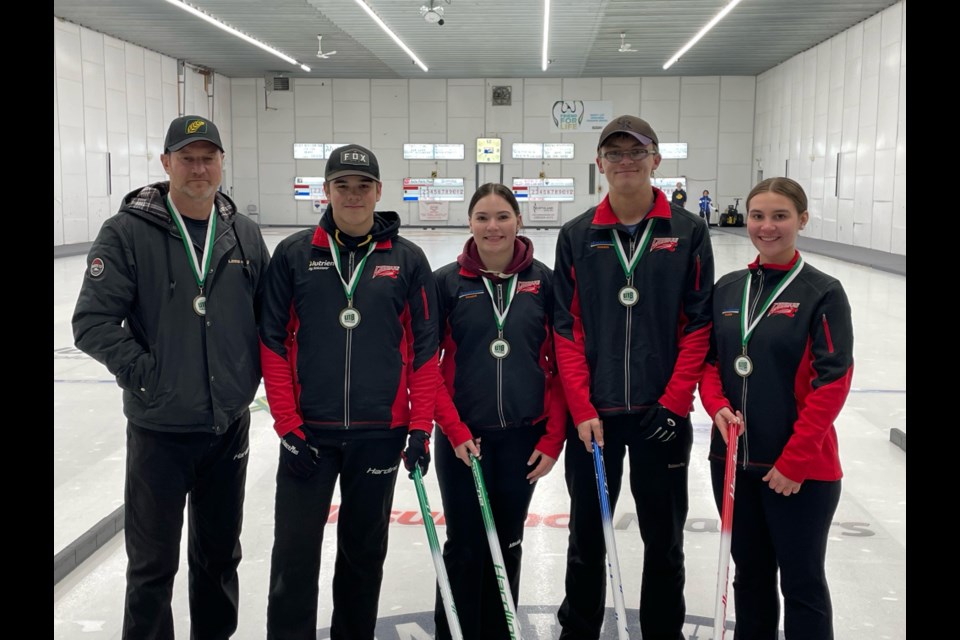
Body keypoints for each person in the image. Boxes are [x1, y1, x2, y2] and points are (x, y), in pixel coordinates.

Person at [72, 115, 271, 639]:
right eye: (187, 157)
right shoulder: (127, 232)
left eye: (209, 157)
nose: (199, 168)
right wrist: (149, 378)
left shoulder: (243, 234)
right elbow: (91, 323)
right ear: (165, 164)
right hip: (160, 429)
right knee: (152, 566)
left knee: (220, 556)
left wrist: (242, 381)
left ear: (223, 164)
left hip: (227, 426)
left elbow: (269, 318)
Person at [259, 144, 439, 639]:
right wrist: (287, 426)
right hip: (309, 436)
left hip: (379, 434)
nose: (353, 195)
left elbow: (425, 352)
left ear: (379, 192)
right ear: (327, 190)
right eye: (342, 185)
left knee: (363, 558)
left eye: (363, 187)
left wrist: (420, 427)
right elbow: (271, 343)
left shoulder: (407, 260)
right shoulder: (295, 254)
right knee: (293, 558)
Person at [553, 115, 714, 640]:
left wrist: (672, 404)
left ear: (656, 160)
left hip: (659, 416)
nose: (626, 162)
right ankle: (579, 628)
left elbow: (699, 323)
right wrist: (581, 408)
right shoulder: (577, 235)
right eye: (614, 153)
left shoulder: (688, 231)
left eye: (636, 152)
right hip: (593, 420)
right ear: (600, 164)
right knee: (586, 537)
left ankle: (662, 631)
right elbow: (567, 330)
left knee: (664, 539)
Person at [699, 177, 853, 639]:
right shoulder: (728, 288)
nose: (767, 227)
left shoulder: (822, 293)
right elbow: (710, 364)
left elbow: (833, 381)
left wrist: (796, 461)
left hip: (798, 471)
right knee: (750, 578)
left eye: (780, 216)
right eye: (758, 216)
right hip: (733, 463)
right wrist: (716, 407)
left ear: (802, 220)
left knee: (802, 584)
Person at [432, 183, 567, 639]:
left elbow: (561, 367)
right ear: (470, 223)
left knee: (507, 543)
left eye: (503, 216)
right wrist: (452, 430)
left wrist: (551, 440)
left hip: (522, 440)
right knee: (463, 546)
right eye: (483, 217)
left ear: (519, 221)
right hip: (462, 438)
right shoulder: (446, 283)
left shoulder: (544, 282)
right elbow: (424, 367)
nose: (493, 227)